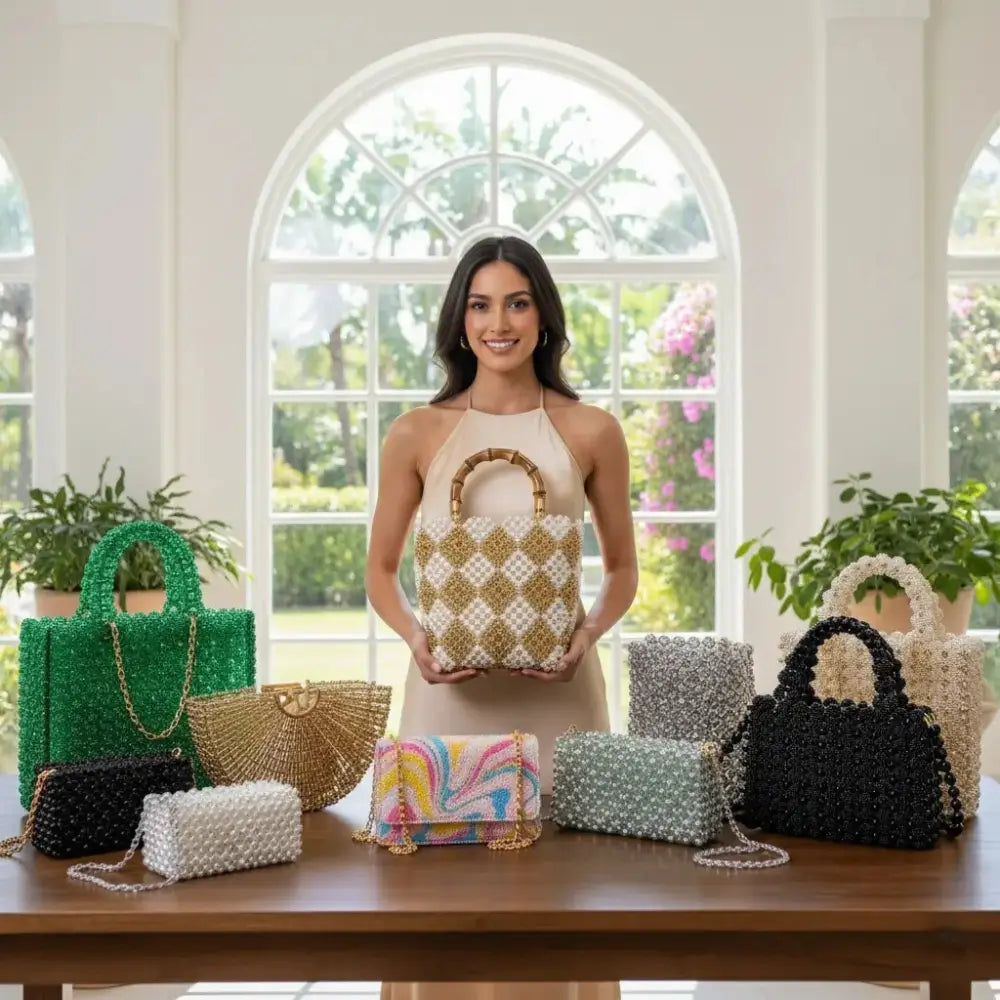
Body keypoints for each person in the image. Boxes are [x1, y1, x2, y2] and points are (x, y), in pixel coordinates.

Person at [365, 234, 638, 1000]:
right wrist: (417, 638)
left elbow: (621, 572)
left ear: (544, 317)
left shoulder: (590, 431)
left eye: (517, 302)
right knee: (443, 908)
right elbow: (381, 572)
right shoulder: (418, 433)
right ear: (458, 321)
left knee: (561, 904)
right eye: (481, 304)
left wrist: (583, 638)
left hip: (561, 698)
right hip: (448, 699)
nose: (499, 321)